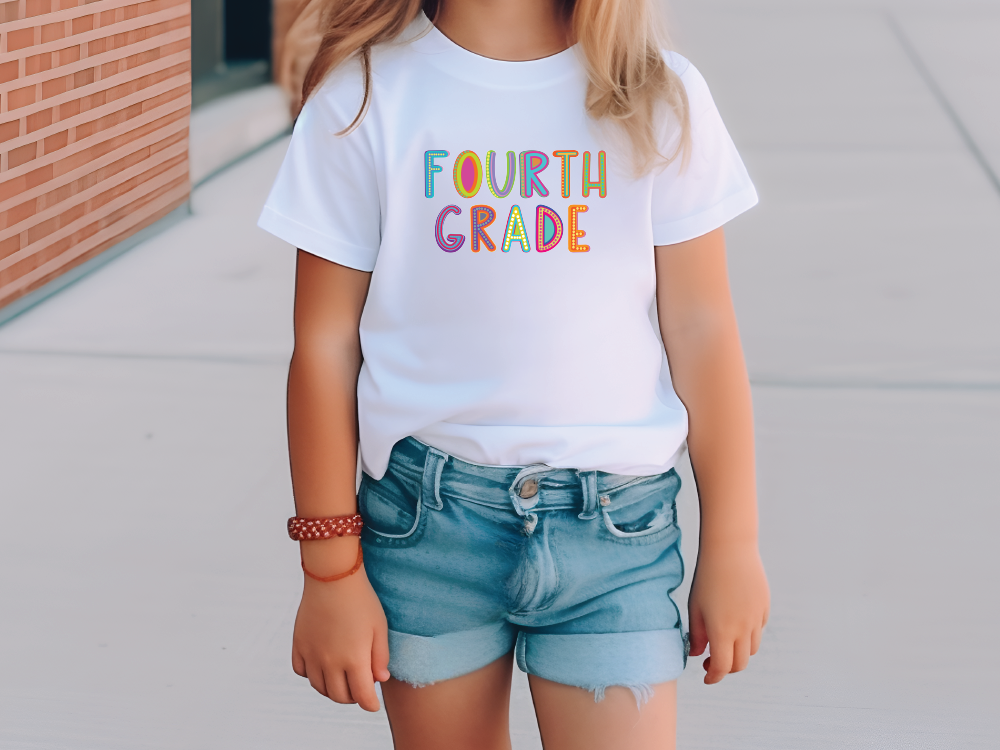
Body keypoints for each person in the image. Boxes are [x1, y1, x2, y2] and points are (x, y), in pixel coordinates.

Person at [258, 0, 770, 747]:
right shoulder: (364, 94)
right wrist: (329, 571)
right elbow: (325, 345)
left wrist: (733, 543)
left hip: (615, 536)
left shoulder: (658, 92)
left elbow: (703, 330)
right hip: (427, 530)